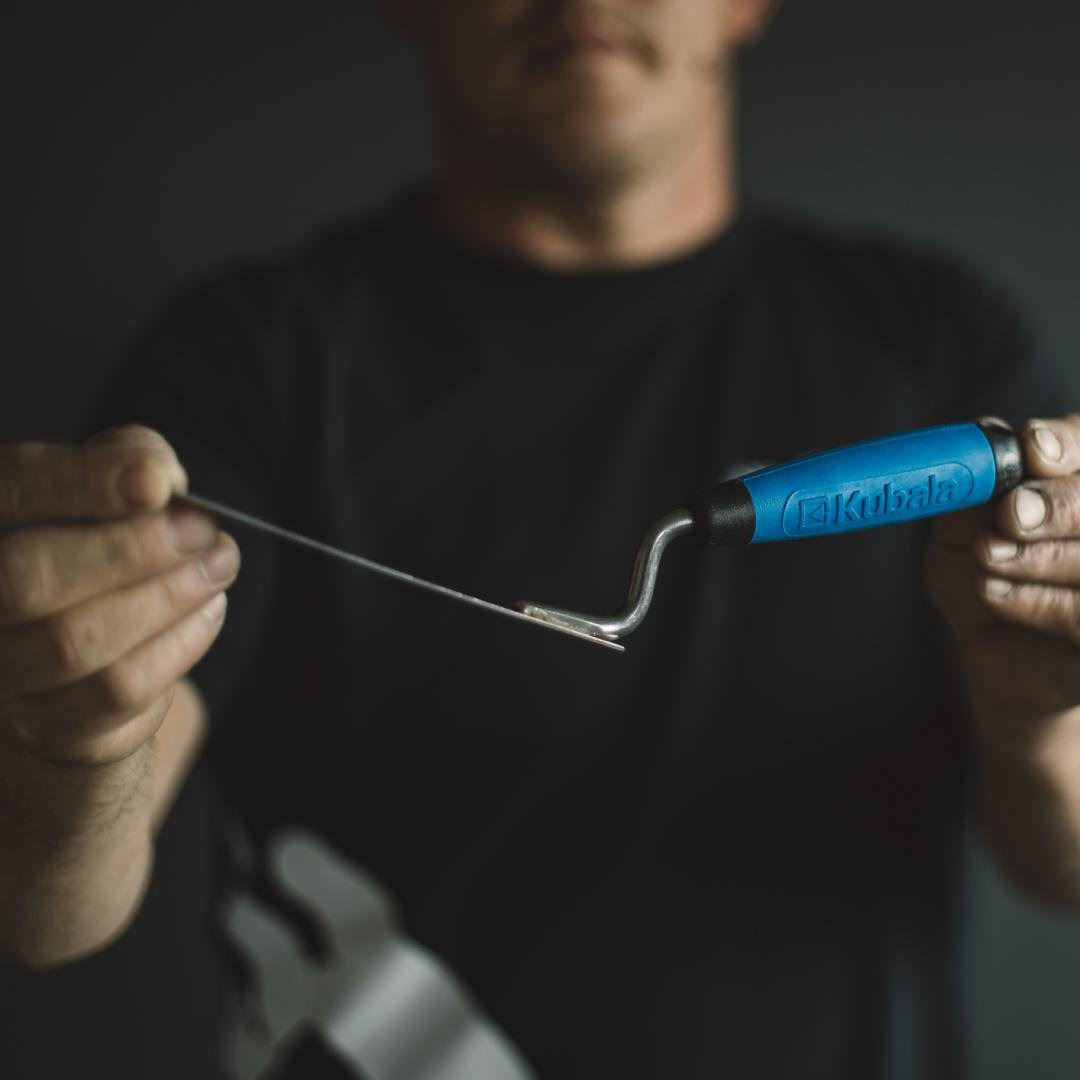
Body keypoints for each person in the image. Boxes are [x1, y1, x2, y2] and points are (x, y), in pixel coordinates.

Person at [1, 1, 1077, 1077]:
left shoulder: (935, 346)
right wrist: (71, 740)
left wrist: (1038, 721)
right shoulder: (250, 367)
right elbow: (38, 910)